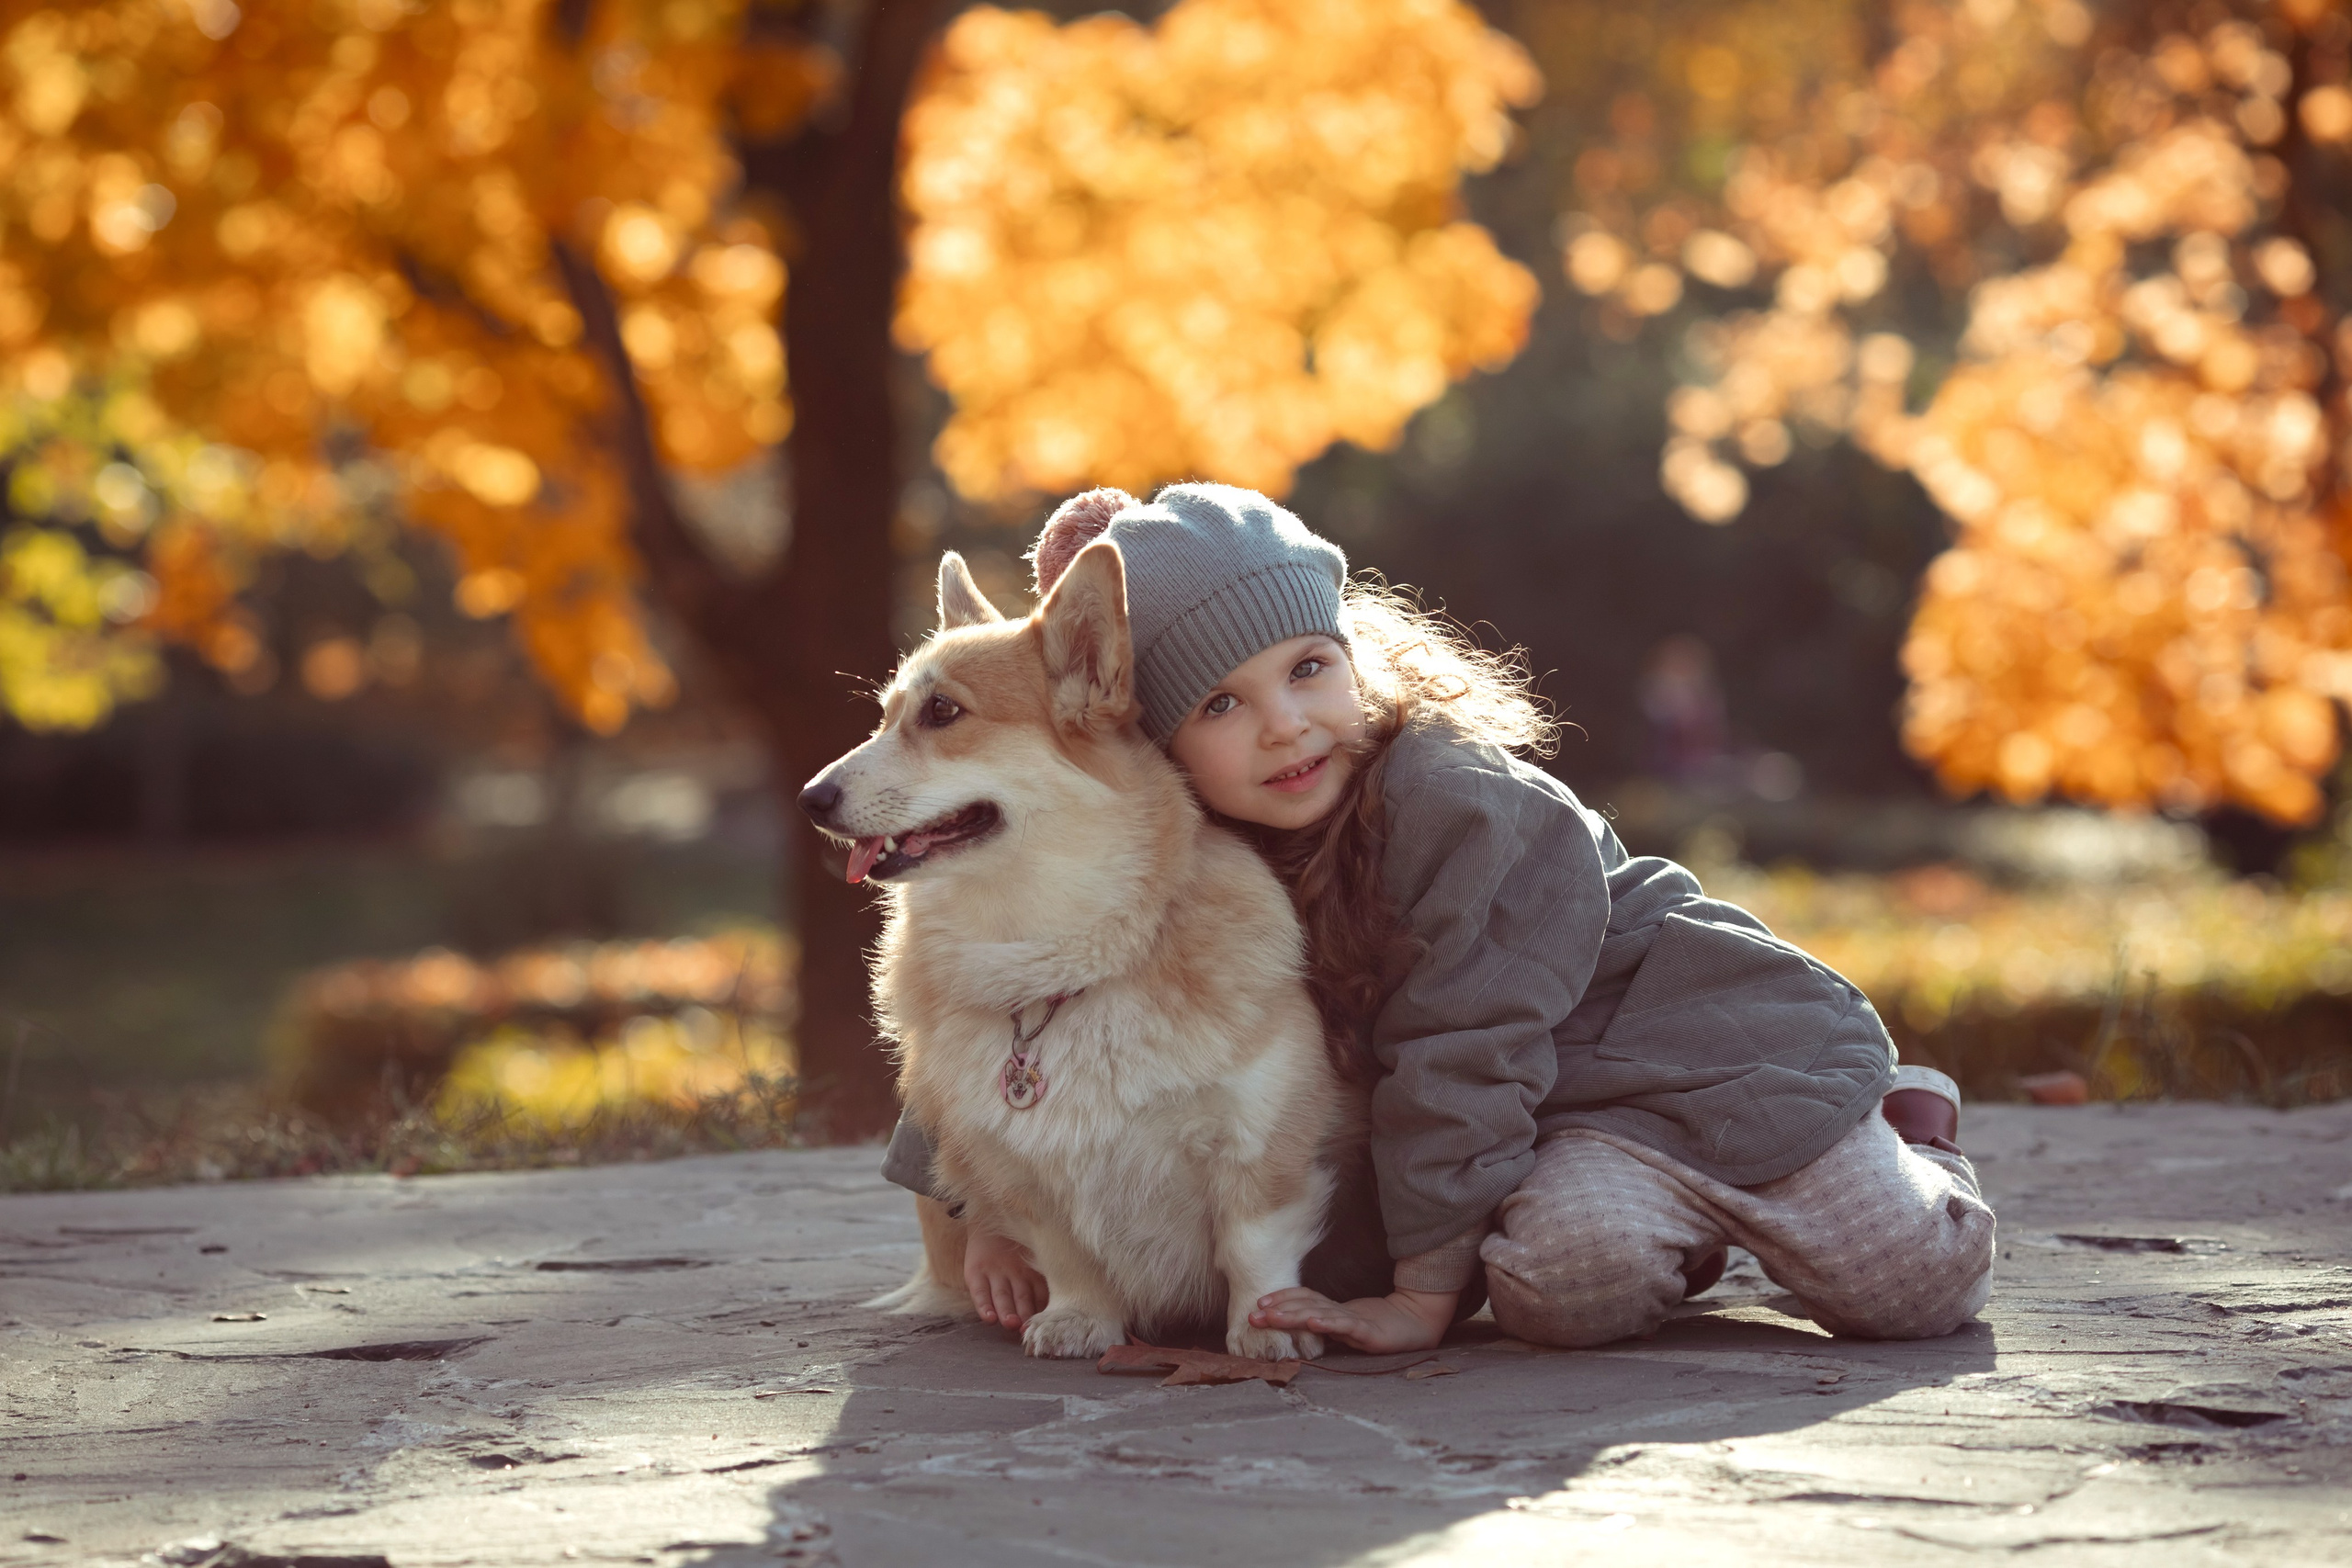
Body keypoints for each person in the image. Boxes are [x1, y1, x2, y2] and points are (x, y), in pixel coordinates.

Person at [880, 482, 1993, 1354]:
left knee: (1903, 1286)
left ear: (1353, 656)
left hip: (1709, 1055)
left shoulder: (1457, 804)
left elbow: (1464, 1048)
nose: (1284, 728)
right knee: (1560, 1290)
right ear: (1154, 746)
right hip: (1559, 1128)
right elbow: (1010, 988)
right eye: (1220, 706)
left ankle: (1906, 1127)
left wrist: (1419, 1297)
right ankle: (1684, 1232)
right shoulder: (1189, 849)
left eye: (1309, 670)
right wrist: (976, 1204)